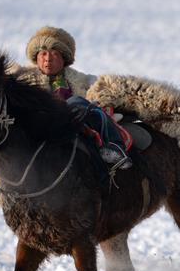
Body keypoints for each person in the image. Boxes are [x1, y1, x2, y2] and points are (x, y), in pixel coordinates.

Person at [14, 26, 131, 169]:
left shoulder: (83, 81)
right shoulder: (22, 80)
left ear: (64, 58)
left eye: (54, 54)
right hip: (39, 128)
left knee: (83, 104)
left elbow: (103, 92)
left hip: (75, 126)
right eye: (43, 54)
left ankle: (115, 148)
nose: (48, 59)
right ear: (36, 58)